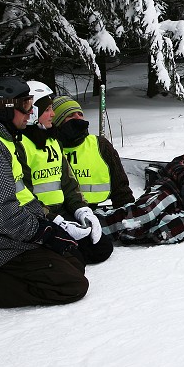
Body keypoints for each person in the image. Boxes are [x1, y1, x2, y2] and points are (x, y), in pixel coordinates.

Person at [0, 77, 88, 313]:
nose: (30, 112)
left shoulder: (0, 141)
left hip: (6, 235)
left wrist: (48, 222)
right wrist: (41, 233)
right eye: (25, 105)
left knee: (75, 260)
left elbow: (21, 194)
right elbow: (1, 214)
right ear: (4, 109)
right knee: (72, 285)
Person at [17, 83, 113, 265]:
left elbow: (68, 183)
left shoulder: (53, 141)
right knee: (74, 258)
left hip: (60, 211)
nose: (52, 114)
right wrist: (56, 221)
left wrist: (82, 210)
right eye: (47, 110)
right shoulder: (20, 145)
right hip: (37, 217)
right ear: (33, 113)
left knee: (100, 248)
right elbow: (23, 195)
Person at [51, 95, 135, 209]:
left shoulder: (101, 145)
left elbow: (121, 189)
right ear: (58, 121)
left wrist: (127, 216)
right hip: (58, 217)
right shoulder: (48, 148)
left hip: (94, 213)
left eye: (80, 114)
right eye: (70, 115)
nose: (78, 118)